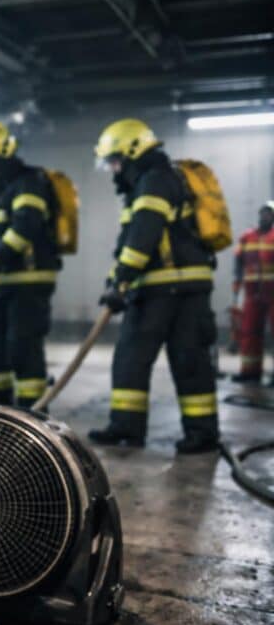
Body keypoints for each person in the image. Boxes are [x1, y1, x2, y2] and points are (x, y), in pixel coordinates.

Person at [89, 118, 220, 453]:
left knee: (158, 359)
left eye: (115, 161)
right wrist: (115, 278)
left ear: (133, 153)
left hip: (167, 288)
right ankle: (152, 429)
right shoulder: (155, 180)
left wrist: (121, 280)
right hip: (175, 287)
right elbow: (130, 241)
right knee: (166, 360)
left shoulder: (154, 180)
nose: (114, 170)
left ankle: (177, 432)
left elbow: (143, 236)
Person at [0, 121, 61, 410]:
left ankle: (33, 412)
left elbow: (25, 226)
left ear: (3, 156)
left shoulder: (30, 182)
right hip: (0, 281)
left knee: (23, 346)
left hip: (29, 279)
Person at [231, 202, 274, 384]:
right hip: (252, 294)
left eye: (268, 214)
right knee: (249, 332)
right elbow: (238, 265)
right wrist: (236, 290)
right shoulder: (247, 237)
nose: (264, 217)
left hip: (272, 293)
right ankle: (250, 372)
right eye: (262, 213)